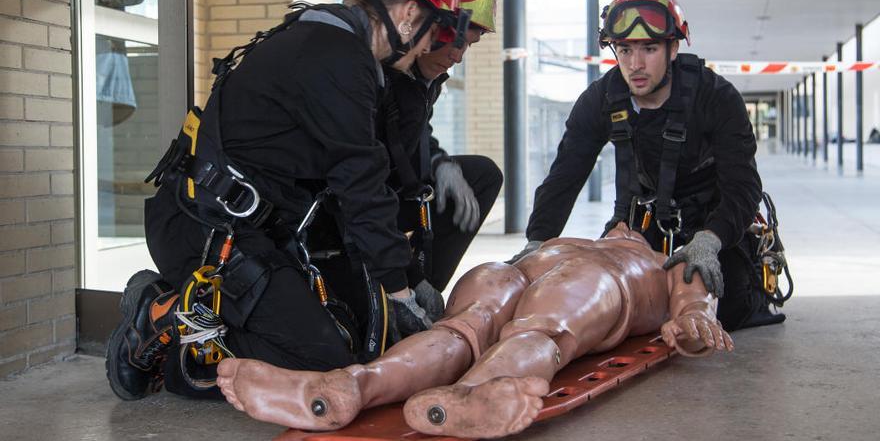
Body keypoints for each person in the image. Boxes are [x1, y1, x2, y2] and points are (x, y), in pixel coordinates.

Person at [106, 0, 467, 401]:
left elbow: (375, 171)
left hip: (258, 231)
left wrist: (405, 281)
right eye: (437, 29)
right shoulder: (337, 58)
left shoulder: (334, 44)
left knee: (363, 342)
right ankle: (164, 317)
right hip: (206, 231)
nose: (432, 46)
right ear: (412, 13)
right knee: (322, 369)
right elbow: (362, 184)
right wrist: (400, 291)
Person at [215, 223, 733, 439]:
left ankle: (364, 385)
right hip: (543, 273)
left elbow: (692, 310)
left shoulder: (666, 259)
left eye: (629, 227)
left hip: (567, 278)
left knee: (492, 329)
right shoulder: (586, 245)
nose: (623, 228)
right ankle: (387, 390)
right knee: (489, 330)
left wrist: (694, 319)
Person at [510, 0, 784, 332]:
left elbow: (743, 186)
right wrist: (537, 240)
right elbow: (565, 177)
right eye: (624, 50)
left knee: (728, 306)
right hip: (647, 217)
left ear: (673, 49)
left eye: (649, 49)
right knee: (622, 301)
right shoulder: (601, 100)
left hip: (715, 217)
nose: (635, 64)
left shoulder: (715, 98)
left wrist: (711, 239)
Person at [377, 0, 502, 328]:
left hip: (390, 194)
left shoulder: (422, 80)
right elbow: (363, 181)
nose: (459, 57)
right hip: (357, 209)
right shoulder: (384, 74)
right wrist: (405, 282)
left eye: (468, 45)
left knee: (480, 175)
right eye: (452, 40)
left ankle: (425, 291)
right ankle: (403, 291)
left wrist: (440, 164)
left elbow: (416, 137)